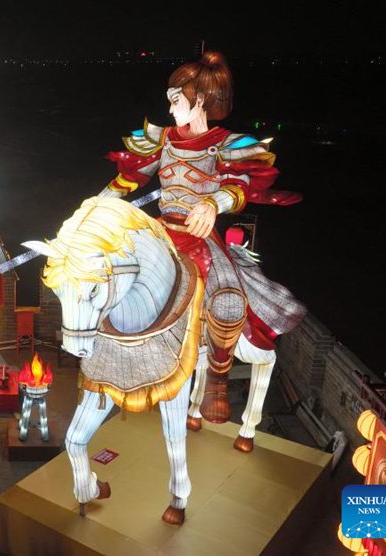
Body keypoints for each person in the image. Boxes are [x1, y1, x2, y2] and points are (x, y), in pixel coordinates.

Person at [99, 51, 305, 423]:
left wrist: (212, 203)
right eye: (170, 99)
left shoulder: (225, 143)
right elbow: (129, 178)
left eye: (176, 99)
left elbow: (238, 185)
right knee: (105, 274)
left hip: (201, 238)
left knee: (226, 300)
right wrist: (94, 207)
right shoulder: (162, 139)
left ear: (200, 101)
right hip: (161, 231)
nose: (171, 107)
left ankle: (217, 379)